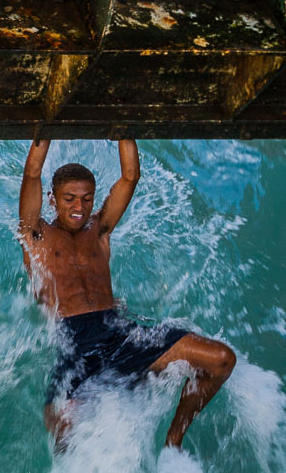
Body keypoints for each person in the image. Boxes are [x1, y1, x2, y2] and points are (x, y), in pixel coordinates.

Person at [19, 137, 236, 450]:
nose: (78, 207)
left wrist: (123, 127)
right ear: (52, 199)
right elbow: (31, 176)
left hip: (119, 333)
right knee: (62, 431)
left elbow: (130, 176)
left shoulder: (100, 231)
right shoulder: (36, 234)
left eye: (86, 198)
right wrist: (45, 130)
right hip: (76, 344)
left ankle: (173, 440)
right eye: (69, 199)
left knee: (221, 359)